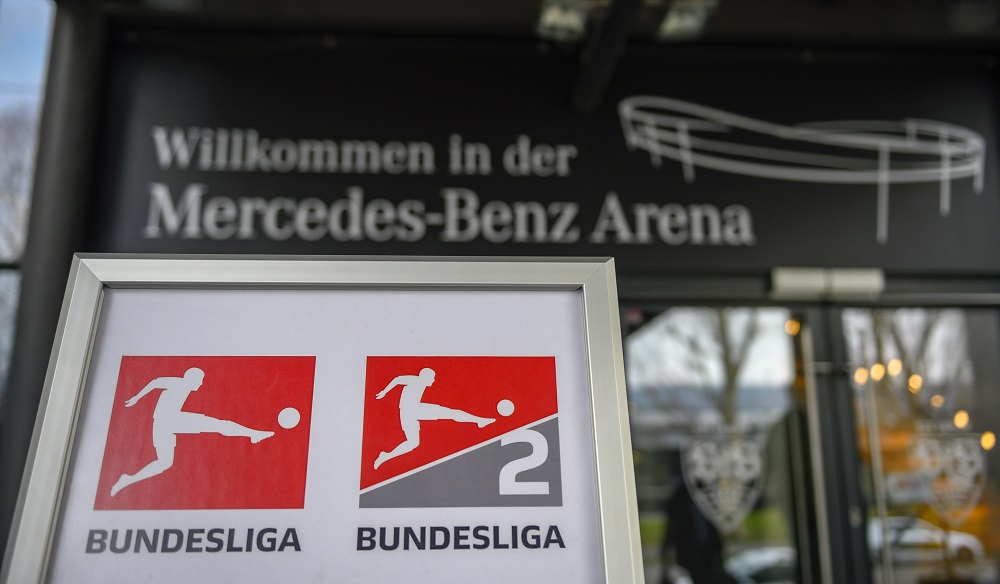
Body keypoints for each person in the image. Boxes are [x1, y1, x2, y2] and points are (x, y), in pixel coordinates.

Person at [110, 367, 274, 496]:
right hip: (171, 420)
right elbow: (155, 382)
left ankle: (128, 479)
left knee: (165, 462)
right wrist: (136, 398)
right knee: (219, 425)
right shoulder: (179, 383)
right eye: (200, 380)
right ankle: (253, 434)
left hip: (165, 424)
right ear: (192, 378)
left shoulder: (183, 386)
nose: (201, 384)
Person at [374, 367, 494, 469]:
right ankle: (479, 420)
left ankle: (385, 456)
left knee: (413, 442)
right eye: (432, 377)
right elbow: (397, 379)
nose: (433, 380)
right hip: (413, 409)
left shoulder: (420, 383)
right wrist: (384, 392)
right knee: (451, 414)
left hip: (409, 412)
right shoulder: (415, 380)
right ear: (425, 377)